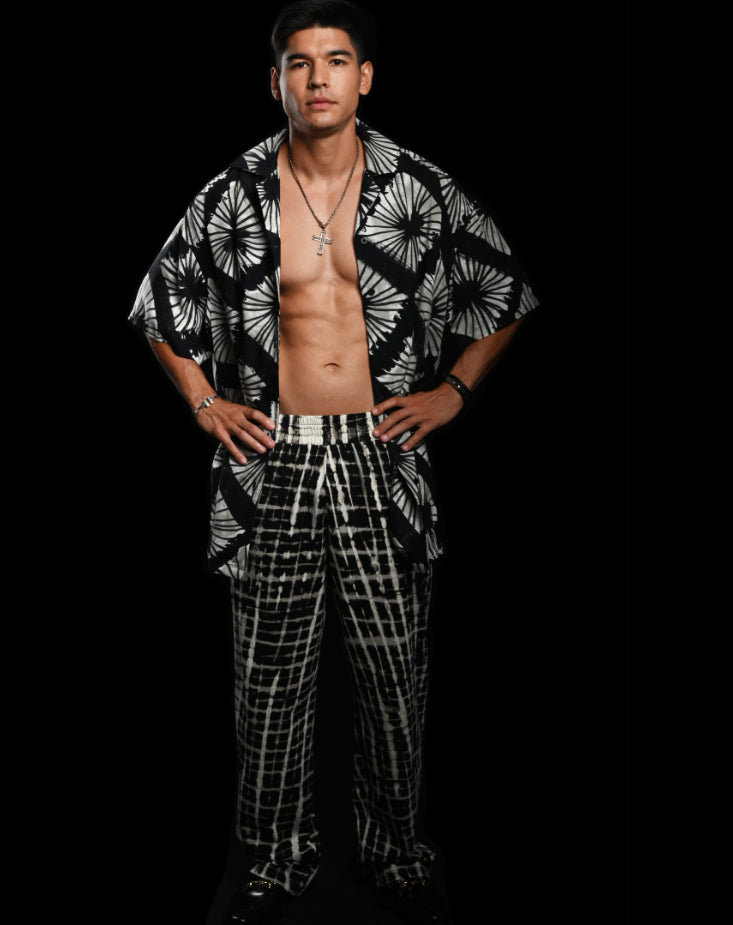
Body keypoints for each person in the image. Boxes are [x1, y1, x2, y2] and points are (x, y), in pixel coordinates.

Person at [129, 2, 539, 921]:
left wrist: (455, 390)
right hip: (273, 455)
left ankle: (396, 853)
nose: (318, 78)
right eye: (299, 62)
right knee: (268, 675)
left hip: (379, 453)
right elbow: (159, 304)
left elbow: (504, 290)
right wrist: (204, 401)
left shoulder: (418, 187)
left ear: (366, 78)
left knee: (394, 671)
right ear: (274, 80)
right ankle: (273, 857)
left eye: (338, 60)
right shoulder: (234, 191)